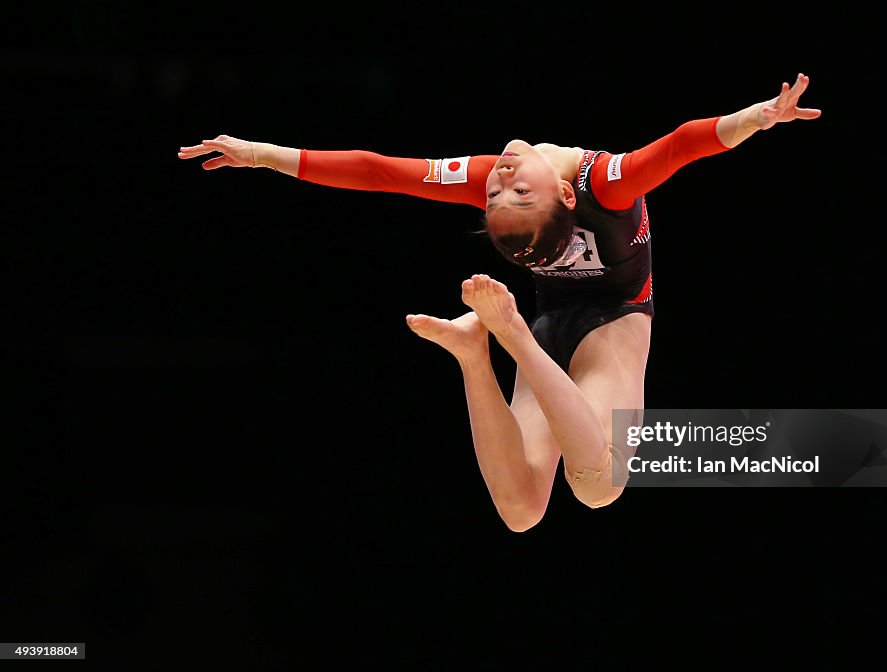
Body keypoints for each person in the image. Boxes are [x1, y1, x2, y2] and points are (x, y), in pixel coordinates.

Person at [178, 73, 821, 531]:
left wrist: (764, 117)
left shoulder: (604, 181)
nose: (498, 183)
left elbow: (684, 143)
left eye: (499, 196)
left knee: (570, 496)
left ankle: (482, 347)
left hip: (609, 323)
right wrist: (261, 156)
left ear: (570, 201)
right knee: (550, 502)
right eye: (507, 195)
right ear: (562, 200)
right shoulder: (597, 182)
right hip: (546, 325)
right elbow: (379, 172)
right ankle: (488, 343)